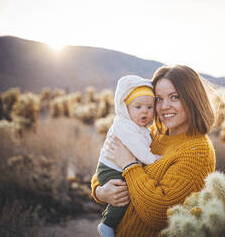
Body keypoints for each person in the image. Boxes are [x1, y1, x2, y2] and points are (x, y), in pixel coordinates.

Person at [91, 65, 216, 237]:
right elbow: (109, 164)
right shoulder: (152, 134)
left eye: (174, 97)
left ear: (192, 98)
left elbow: (160, 215)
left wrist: (129, 165)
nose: (164, 106)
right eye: (158, 99)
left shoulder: (197, 151)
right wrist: (101, 192)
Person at [96, 75, 161, 237]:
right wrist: (153, 159)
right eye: (138, 107)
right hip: (110, 169)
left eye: (149, 107)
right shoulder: (126, 127)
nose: (144, 111)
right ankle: (107, 224)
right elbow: (140, 151)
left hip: (114, 166)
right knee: (124, 195)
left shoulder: (139, 127)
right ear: (126, 108)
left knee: (125, 191)